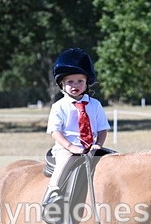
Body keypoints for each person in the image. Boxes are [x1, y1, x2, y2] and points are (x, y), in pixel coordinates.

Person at [42, 48, 109, 212]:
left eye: (80, 80)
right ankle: (52, 192)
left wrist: (98, 145)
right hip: (66, 147)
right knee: (65, 160)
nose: (75, 85)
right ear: (62, 84)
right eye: (70, 81)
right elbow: (55, 131)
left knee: (114, 160)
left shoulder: (95, 105)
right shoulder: (59, 107)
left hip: (91, 147)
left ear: (87, 83)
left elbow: (102, 129)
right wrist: (70, 147)